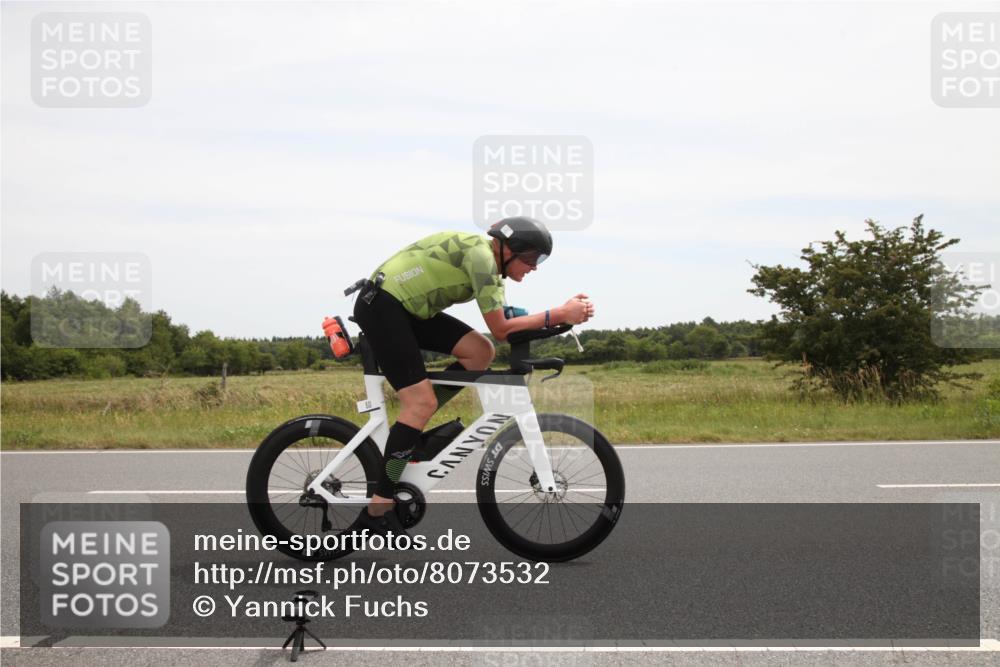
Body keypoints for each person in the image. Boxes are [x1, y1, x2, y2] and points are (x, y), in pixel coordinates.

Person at [350, 216, 594, 537]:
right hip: (384, 306)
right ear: (510, 250)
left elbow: (504, 317)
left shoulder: (490, 263)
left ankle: (413, 432)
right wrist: (559, 314)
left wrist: (556, 315)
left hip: (406, 309)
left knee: (480, 352)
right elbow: (502, 329)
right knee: (418, 404)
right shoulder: (482, 260)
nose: (535, 267)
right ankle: (379, 508)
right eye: (533, 258)